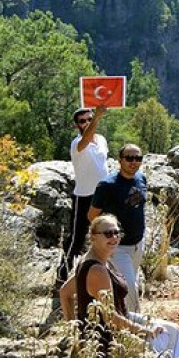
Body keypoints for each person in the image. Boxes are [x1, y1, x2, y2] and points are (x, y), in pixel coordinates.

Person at [59, 214, 179, 358]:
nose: (114, 237)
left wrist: (75, 330)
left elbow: (64, 292)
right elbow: (110, 318)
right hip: (108, 339)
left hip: (123, 320)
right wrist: (144, 331)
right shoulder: (96, 270)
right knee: (174, 347)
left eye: (116, 233)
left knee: (178, 334)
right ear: (93, 237)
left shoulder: (96, 260)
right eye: (108, 233)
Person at [88, 143, 147, 314]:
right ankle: (136, 329)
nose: (133, 162)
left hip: (138, 243)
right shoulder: (107, 185)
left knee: (129, 284)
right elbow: (92, 216)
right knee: (130, 289)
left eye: (138, 158)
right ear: (120, 160)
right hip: (118, 247)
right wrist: (107, 239)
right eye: (129, 158)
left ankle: (119, 317)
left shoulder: (141, 178)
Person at [56, 105, 109, 295]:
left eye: (89, 119)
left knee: (107, 234)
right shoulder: (77, 143)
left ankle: (104, 273)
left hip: (103, 195)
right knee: (77, 239)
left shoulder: (101, 140)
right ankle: (62, 276)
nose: (86, 123)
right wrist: (97, 118)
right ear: (77, 125)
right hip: (84, 196)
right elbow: (86, 139)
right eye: (82, 121)